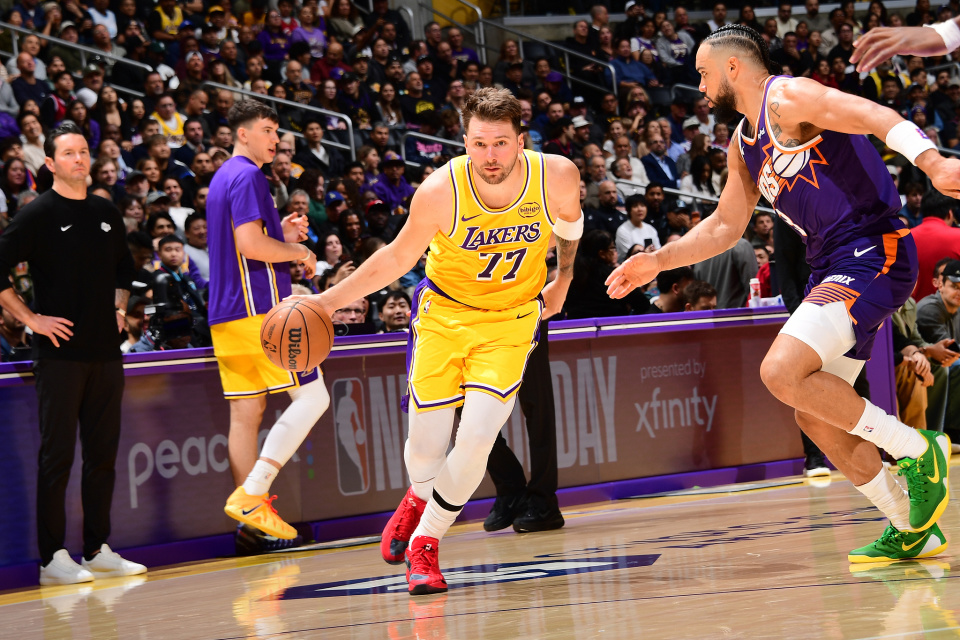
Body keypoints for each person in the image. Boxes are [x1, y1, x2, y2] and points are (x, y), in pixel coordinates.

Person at [607, 24, 960, 563]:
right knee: (814, 414)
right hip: (831, 265)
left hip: (873, 249)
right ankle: (910, 525)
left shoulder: (789, 97)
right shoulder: (742, 143)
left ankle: (917, 449)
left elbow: (872, 114)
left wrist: (932, 161)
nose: (699, 85)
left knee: (779, 372)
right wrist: (657, 261)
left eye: (703, 72)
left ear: (732, 66)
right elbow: (725, 227)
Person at [293, 88, 581, 596]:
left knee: (476, 439)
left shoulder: (556, 174)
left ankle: (427, 542)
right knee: (426, 449)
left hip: (511, 320)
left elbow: (570, 224)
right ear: (464, 141)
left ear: (521, 141)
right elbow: (396, 258)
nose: (490, 156)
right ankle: (417, 496)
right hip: (444, 318)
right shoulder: (440, 190)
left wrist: (564, 277)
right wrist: (326, 301)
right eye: (479, 143)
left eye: (500, 143)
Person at [0, 123, 146, 584]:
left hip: (106, 353)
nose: (79, 159)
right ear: (49, 163)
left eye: (83, 151)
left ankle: (97, 550)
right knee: (57, 457)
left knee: (102, 456)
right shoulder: (37, 213)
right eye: (68, 153)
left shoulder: (106, 210)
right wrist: (32, 319)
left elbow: (124, 268)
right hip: (59, 357)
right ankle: (52, 559)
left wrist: (119, 308)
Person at [207, 101, 330, 554]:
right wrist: (300, 252)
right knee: (314, 397)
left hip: (225, 316)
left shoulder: (222, 177)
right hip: (258, 310)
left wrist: (281, 232)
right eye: (267, 130)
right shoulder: (249, 176)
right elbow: (250, 244)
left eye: (277, 131)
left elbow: (245, 240)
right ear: (243, 134)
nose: (275, 140)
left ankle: (252, 526)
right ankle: (253, 494)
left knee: (245, 416)